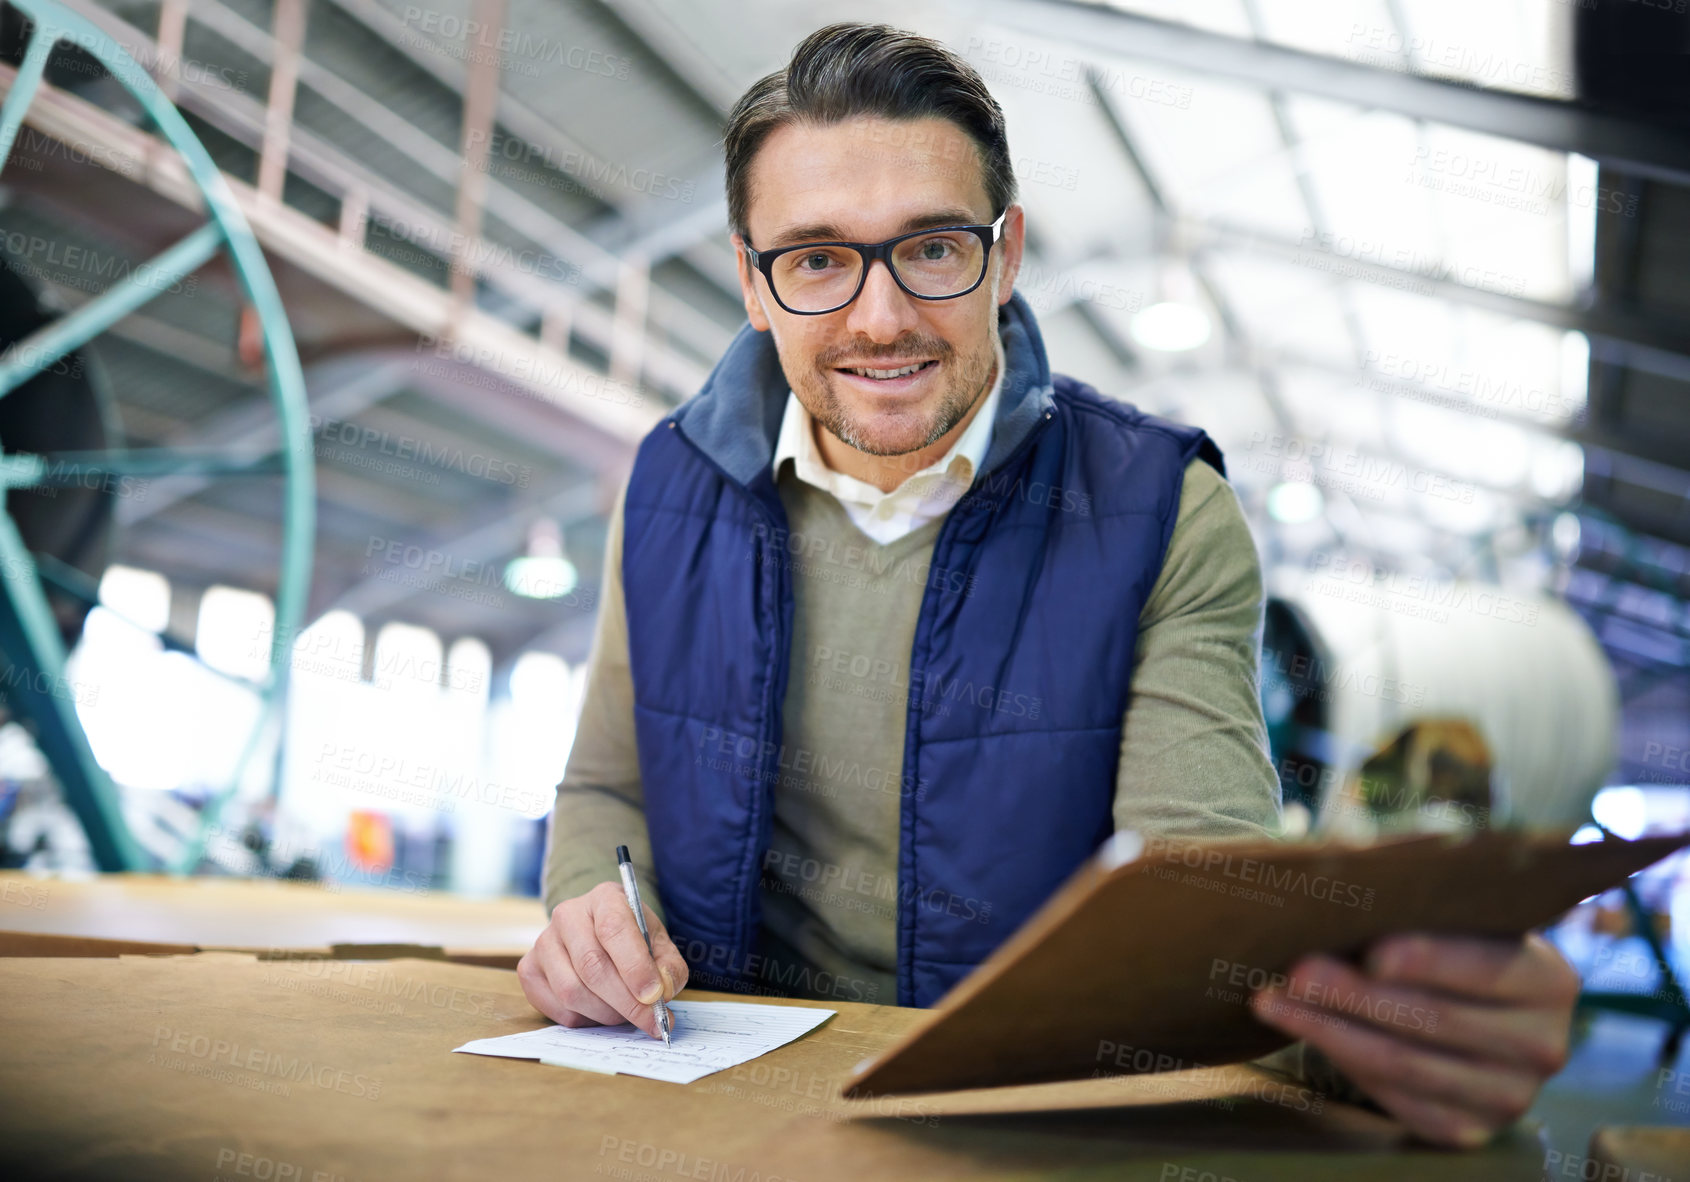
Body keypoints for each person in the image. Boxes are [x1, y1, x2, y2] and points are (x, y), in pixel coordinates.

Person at [518, 22, 1579, 1148]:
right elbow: (603, 789)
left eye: (930, 248)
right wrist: (594, 908)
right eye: (817, 259)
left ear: (1007, 250)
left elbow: (1201, 894)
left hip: (1010, 1121)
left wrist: (1380, 1024)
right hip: (714, 1108)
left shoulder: (1156, 506)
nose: (879, 318)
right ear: (750, 280)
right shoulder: (670, 484)